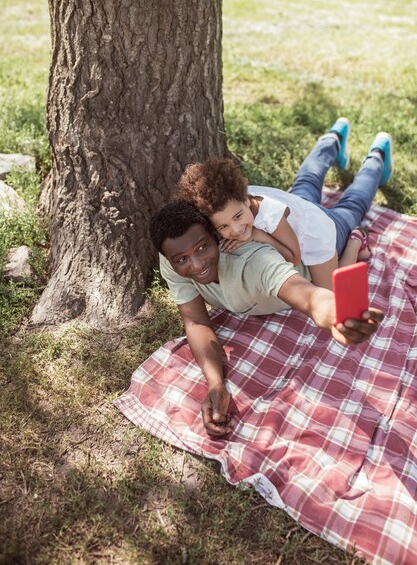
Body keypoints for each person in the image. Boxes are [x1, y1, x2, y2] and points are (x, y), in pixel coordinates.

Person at [149, 125, 392, 437]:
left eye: (201, 248)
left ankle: (376, 156)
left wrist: (337, 315)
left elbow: (305, 293)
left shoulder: (252, 258)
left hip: (316, 228)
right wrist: (215, 384)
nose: (195, 264)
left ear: (211, 236)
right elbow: (196, 322)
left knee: (352, 206)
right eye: (182, 259)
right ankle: (332, 140)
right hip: (283, 214)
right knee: (305, 183)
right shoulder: (177, 247)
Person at [175, 118, 381, 290]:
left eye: (238, 217)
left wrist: (259, 235)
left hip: (320, 230)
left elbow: (293, 257)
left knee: (330, 291)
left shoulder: (269, 216)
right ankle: (334, 137)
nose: (236, 230)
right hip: (297, 207)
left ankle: (376, 159)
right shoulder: (226, 199)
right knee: (307, 179)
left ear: (246, 199)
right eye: (223, 227)